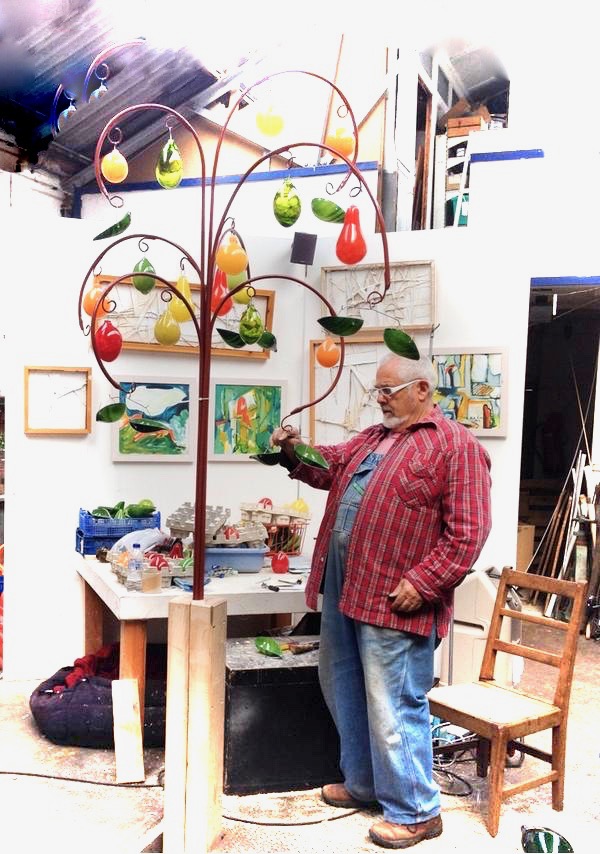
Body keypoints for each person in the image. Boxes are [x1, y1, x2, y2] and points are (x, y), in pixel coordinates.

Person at [270, 352, 492, 849]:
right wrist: (293, 448)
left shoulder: (456, 446)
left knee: (394, 706)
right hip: (346, 588)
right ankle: (366, 783)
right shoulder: (373, 438)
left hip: (397, 599)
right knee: (344, 687)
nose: (381, 399)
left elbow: (469, 532)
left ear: (422, 390)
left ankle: (416, 810)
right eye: (378, 391)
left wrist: (425, 582)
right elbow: (326, 466)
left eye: (389, 390)